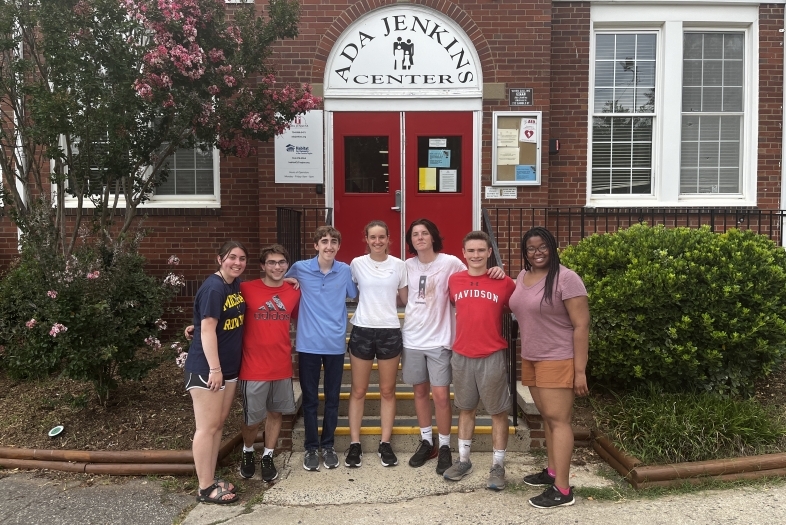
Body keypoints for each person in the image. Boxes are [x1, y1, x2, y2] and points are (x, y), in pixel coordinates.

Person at [402, 218, 505, 475]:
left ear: (434, 236)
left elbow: (475, 273)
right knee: (419, 392)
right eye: (415, 234)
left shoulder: (450, 263)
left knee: (440, 396)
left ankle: (446, 445)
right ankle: (428, 442)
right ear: (410, 240)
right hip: (412, 338)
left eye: (425, 233)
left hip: (440, 339)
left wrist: (498, 271)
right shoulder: (405, 266)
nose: (420, 237)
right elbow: (403, 297)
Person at [509, 227, 590, 508]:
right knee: (547, 417)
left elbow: (581, 326)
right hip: (531, 357)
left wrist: (579, 371)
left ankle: (563, 491)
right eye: (531, 248)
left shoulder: (567, 279)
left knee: (559, 420)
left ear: (552, 247)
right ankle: (553, 472)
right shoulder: (523, 276)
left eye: (542, 246)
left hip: (558, 357)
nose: (537, 252)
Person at [443, 231, 516, 490]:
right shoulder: (454, 280)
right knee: (465, 408)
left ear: (489, 253)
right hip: (462, 354)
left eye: (480, 251)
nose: (476, 255)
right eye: (471, 251)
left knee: (498, 411)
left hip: (492, 354)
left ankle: (498, 465)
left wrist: (504, 274)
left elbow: (518, 305)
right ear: (464, 253)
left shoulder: (504, 282)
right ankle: (463, 460)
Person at [286, 225, 358, 471]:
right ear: (315, 245)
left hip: (335, 343)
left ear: (339, 246)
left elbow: (353, 293)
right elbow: (280, 281)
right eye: (324, 241)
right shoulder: (300, 268)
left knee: (332, 397)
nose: (329, 246)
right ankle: (310, 447)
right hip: (308, 343)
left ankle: (327, 445)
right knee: (309, 399)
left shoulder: (345, 270)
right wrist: (289, 279)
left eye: (334, 242)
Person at [185, 240, 247, 505]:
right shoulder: (214, 287)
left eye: (242, 258)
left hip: (228, 368)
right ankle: (204, 488)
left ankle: (210, 478)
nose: (237, 262)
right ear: (219, 259)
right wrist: (215, 369)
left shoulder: (232, 284)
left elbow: (205, 322)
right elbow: (208, 329)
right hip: (208, 369)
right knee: (206, 428)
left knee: (217, 426)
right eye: (232, 257)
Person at [344, 221, 408, 468]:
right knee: (358, 390)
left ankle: (385, 443)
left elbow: (405, 300)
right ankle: (355, 444)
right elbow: (349, 290)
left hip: (390, 330)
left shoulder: (399, 266)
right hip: (362, 329)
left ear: (389, 238)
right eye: (373, 237)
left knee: (387, 391)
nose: (378, 241)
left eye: (382, 236)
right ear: (366, 239)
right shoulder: (357, 264)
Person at [237, 244, 301, 482]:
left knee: (275, 413)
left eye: (282, 262)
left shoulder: (294, 291)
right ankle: (247, 450)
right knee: (251, 419)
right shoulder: (245, 288)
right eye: (272, 263)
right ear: (262, 266)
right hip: (252, 367)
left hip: (281, 366)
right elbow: (222, 311)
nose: (277, 267)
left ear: (287, 265)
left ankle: (268, 455)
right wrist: (197, 326)